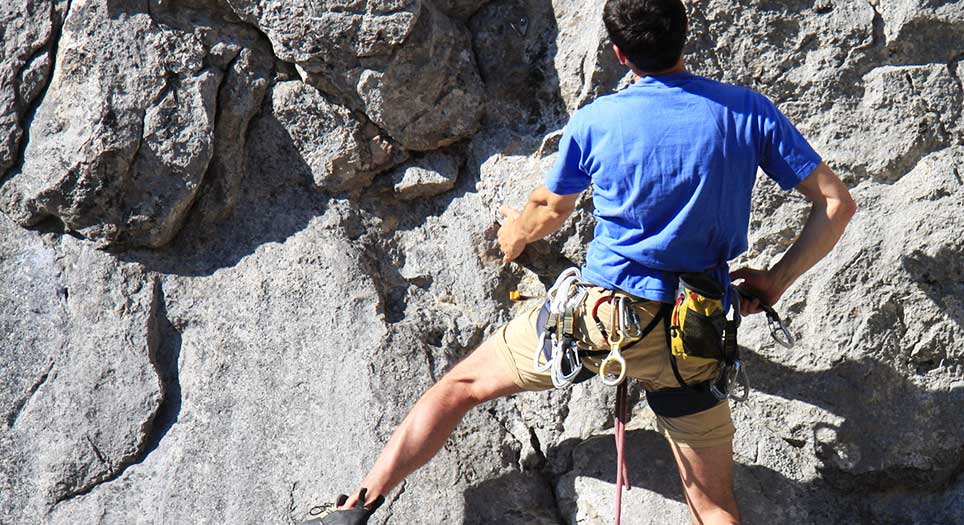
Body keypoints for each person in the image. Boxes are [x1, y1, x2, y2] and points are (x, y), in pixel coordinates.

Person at [302, 0, 855, 523]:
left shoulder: (599, 121)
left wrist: (511, 238)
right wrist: (776, 280)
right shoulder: (746, 111)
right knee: (714, 509)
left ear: (619, 54)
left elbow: (548, 208)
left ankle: (357, 505)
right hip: (694, 336)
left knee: (459, 387)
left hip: (600, 322)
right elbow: (835, 203)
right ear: (685, 34)